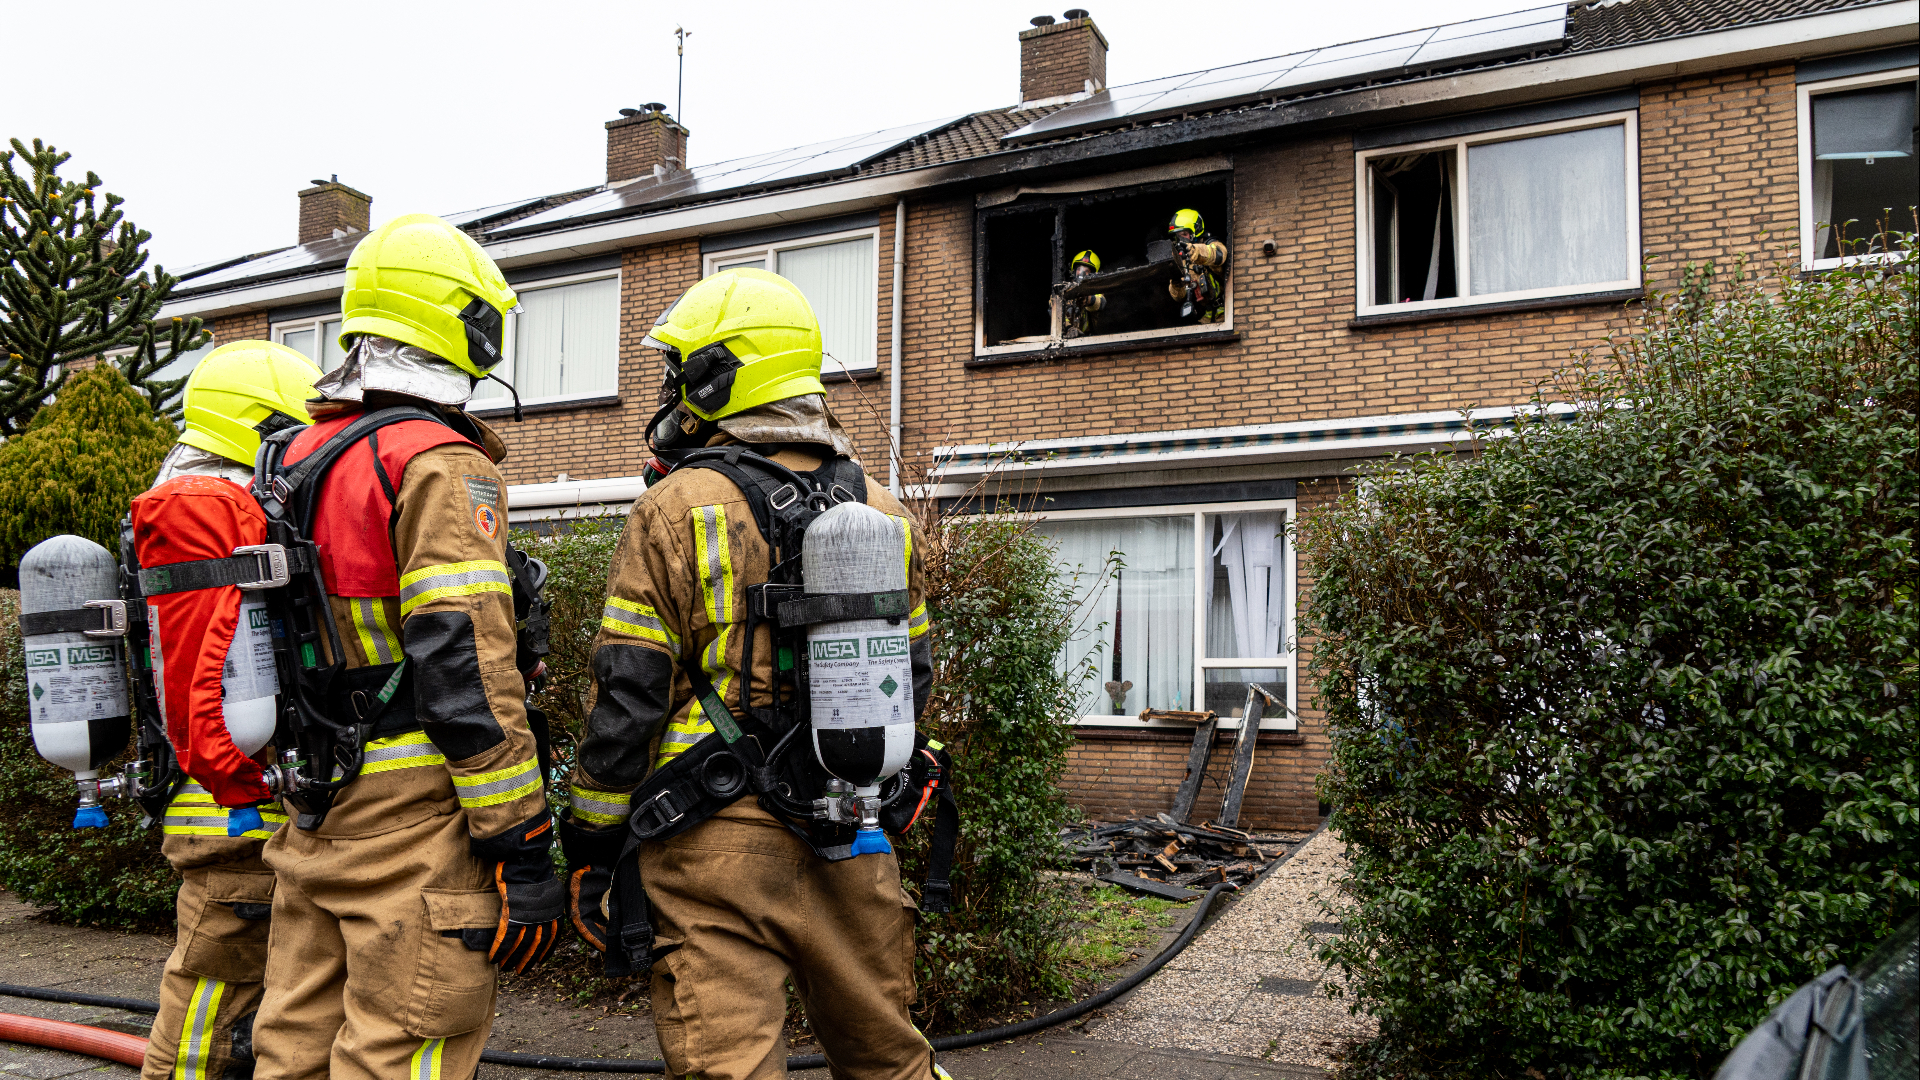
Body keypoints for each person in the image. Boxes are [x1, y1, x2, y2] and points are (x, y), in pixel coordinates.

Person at [558, 267, 950, 1079]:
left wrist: (591, 839)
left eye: (680, 371)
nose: (669, 391)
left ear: (717, 376)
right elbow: (914, 672)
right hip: (852, 825)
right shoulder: (883, 509)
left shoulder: (676, 507)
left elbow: (627, 697)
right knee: (892, 1061)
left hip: (712, 843)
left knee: (726, 1067)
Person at [248, 213, 561, 1080]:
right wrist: (522, 838)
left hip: (314, 799)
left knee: (293, 1052)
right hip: (412, 811)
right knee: (409, 1047)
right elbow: (465, 659)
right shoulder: (434, 461)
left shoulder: (290, 457)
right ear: (469, 325)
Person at [127, 340, 317, 1079]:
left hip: (204, 785)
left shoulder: (170, 504)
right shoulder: (211, 512)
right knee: (212, 989)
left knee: (236, 986)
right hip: (234, 796)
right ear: (264, 427)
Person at [1166, 208, 1229, 323]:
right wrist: (1176, 284)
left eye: (1184, 234)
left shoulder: (1211, 245)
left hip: (1227, 315)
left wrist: (1196, 251)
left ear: (1197, 230)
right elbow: (1179, 297)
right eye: (1178, 236)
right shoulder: (1183, 260)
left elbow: (1219, 256)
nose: (1181, 239)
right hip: (1205, 319)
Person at [1064, 249, 1107, 338]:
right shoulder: (1065, 289)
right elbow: (1053, 306)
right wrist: (1068, 328)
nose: (1082, 273)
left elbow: (1101, 302)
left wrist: (1087, 299)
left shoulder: (1096, 291)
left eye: (1086, 270)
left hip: (1089, 338)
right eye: (1079, 269)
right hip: (1066, 337)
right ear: (1074, 270)